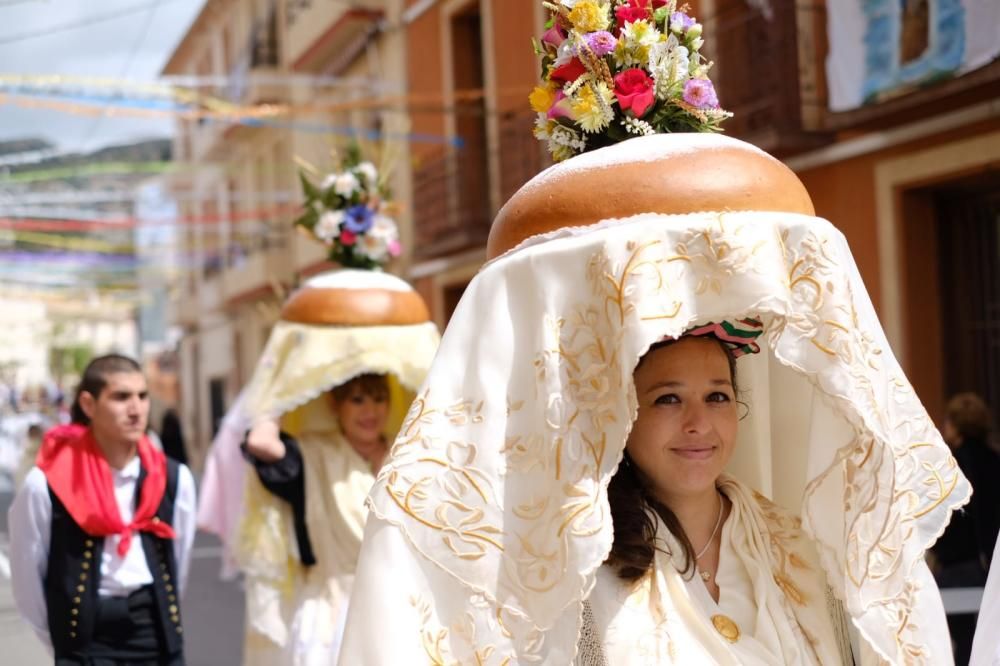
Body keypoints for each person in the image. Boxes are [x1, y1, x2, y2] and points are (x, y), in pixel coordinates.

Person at [339, 5, 966, 661]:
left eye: (718, 396)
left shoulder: (789, 541)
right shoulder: (573, 568)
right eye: (667, 399)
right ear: (616, 412)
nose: (700, 424)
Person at [216, 269, 439, 666]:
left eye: (376, 398)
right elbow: (259, 442)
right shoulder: (311, 457)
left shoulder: (410, 454)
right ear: (335, 405)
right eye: (356, 400)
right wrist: (290, 373)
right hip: (332, 613)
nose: (369, 411)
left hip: (403, 612)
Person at [8, 354, 197, 665]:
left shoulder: (174, 478)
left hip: (155, 631)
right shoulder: (47, 484)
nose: (136, 409)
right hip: (87, 639)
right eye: (121, 397)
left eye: (142, 396)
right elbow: (28, 579)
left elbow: (180, 560)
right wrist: (62, 644)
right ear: (88, 404)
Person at [933, 392, 1000, 665]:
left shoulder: (954, 465)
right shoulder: (994, 459)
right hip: (987, 560)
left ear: (957, 424)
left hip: (960, 564)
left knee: (959, 635)